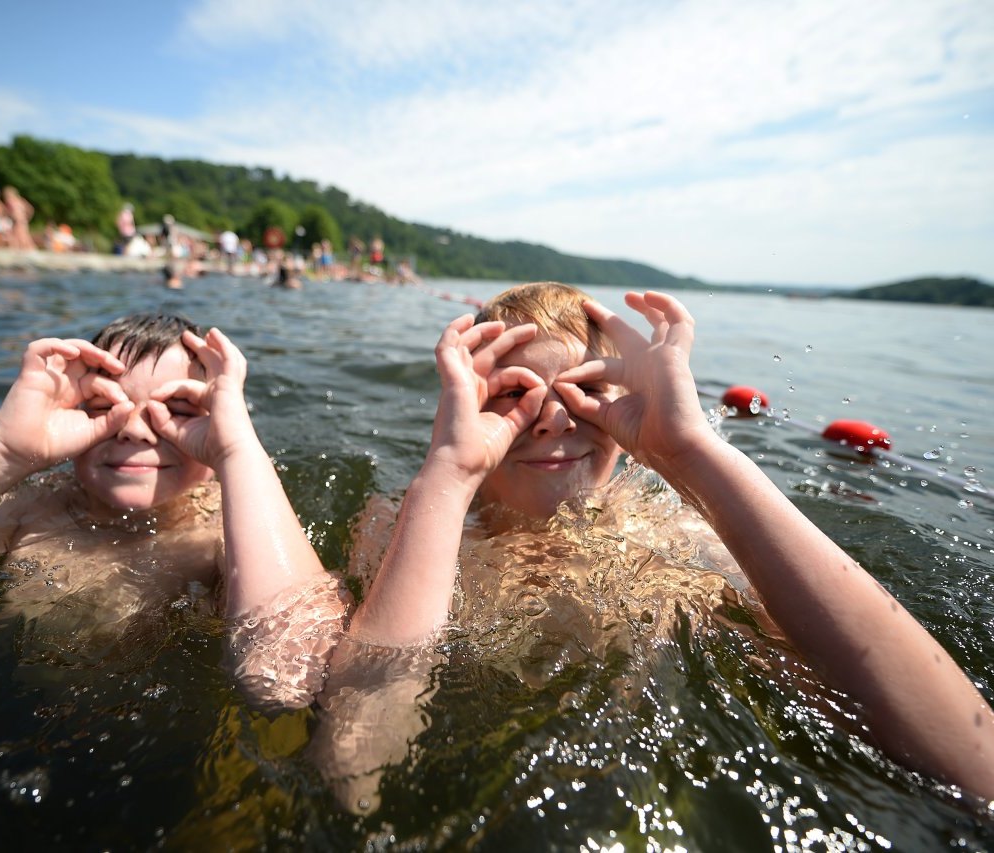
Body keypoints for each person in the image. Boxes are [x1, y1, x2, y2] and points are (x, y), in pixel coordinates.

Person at [317, 282, 994, 806]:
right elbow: (353, 767)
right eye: (514, 395)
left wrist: (689, 448)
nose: (553, 420)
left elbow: (974, 766)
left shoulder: (672, 533)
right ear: (463, 407)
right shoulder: (407, 528)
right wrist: (450, 471)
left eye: (583, 391)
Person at [0, 313, 345, 700]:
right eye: (106, 404)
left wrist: (237, 452)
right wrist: (3, 449)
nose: (132, 430)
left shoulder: (227, 523)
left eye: (176, 407)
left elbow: (287, 678)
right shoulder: (33, 507)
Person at [2, 186, 35, 250]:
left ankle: (25, 249)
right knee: (24, 235)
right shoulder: (20, 200)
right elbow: (30, 209)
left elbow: (6, 211)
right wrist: (27, 217)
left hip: (17, 220)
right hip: (22, 220)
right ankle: (29, 249)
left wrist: (9, 215)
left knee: (20, 236)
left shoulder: (10, 201)